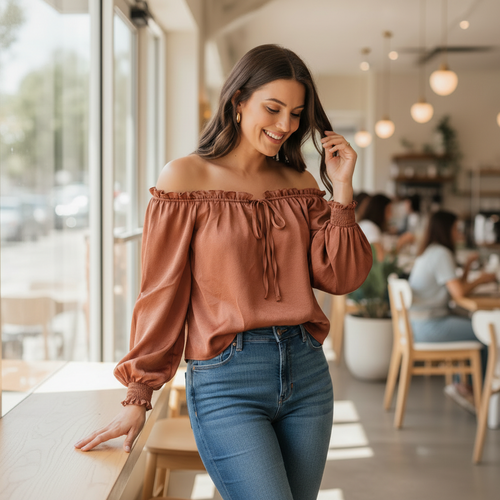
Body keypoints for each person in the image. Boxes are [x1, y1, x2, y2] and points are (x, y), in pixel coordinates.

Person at [74, 44, 372, 500]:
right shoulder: (184, 179)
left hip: (307, 374)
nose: (285, 126)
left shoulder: (301, 185)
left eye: (295, 114)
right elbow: (162, 292)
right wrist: (139, 395)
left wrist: (343, 189)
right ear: (238, 101)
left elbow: (341, 276)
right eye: (272, 109)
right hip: (227, 378)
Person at [408, 210, 496, 411]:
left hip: (419, 323)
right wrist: (481, 279)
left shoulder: (431, 251)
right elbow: (458, 295)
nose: (460, 233)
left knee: (475, 324)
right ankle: (480, 395)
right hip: (429, 326)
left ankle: (462, 385)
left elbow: (453, 287)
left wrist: (466, 268)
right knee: (487, 334)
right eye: (457, 229)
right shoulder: (441, 253)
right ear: (446, 229)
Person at [358, 193, 414, 261]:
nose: (390, 215)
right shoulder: (370, 227)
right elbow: (381, 258)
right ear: (379, 211)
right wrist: (400, 243)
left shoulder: (367, 224)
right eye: (388, 210)